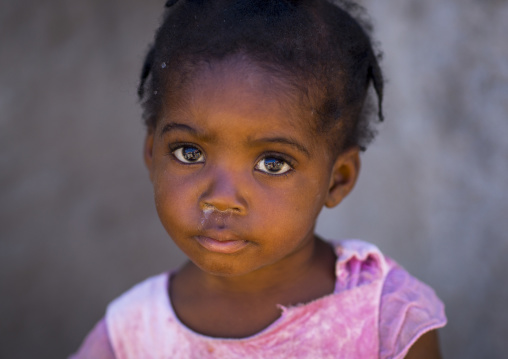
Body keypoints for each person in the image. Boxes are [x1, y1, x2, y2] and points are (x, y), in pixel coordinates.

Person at [71, 0, 446, 357]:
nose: (220, 198)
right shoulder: (132, 333)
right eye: (190, 153)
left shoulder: (385, 318)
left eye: (272, 163)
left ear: (338, 181)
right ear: (152, 154)